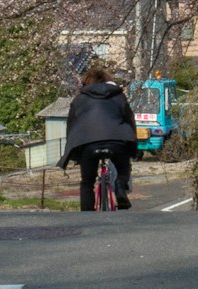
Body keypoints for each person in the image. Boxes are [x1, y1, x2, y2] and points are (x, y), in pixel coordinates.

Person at [58, 63, 138, 210]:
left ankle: (87, 217)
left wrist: (74, 153)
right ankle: (120, 186)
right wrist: (133, 145)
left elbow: (71, 126)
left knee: (87, 182)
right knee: (123, 167)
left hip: (88, 143)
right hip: (117, 140)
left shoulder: (79, 100)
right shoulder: (119, 96)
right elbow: (130, 120)